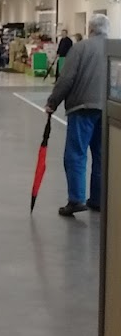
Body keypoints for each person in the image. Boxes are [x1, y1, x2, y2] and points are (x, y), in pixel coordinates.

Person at [45, 13, 109, 217]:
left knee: (76, 154)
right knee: (101, 155)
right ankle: (98, 199)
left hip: (81, 108)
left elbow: (66, 79)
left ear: (90, 29)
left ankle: (76, 199)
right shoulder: (115, 47)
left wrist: (52, 102)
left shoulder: (80, 48)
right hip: (108, 110)